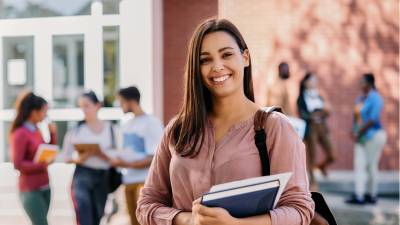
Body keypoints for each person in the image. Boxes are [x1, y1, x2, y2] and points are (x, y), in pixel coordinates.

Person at [136, 18, 314, 225]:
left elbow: (299, 210)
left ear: (245, 57)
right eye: (205, 60)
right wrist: (189, 221)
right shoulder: (177, 130)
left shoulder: (274, 127)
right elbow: (146, 205)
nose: (217, 66)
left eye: (226, 54)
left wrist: (236, 224)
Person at [57, 91, 118, 225]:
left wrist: (102, 155)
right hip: (82, 176)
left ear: (97, 106)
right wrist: (79, 159)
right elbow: (65, 157)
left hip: (103, 178)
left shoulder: (111, 129)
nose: (83, 110)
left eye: (87, 105)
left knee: (97, 217)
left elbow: (118, 157)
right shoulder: (76, 130)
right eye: (81, 106)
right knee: (84, 218)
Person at [108, 86, 164, 225]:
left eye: (121, 102)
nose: (119, 105)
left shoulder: (152, 123)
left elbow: (155, 158)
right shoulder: (126, 124)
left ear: (130, 101)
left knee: (146, 221)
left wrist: (124, 164)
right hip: (128, 180)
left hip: (145, 182)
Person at [9, 92, 57, 225]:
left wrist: (53, 135)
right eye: (44, 112)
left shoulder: (36, 130)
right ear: (33, 112)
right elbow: (18, 164)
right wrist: (43, 165)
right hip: (30, 190)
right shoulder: (20, 133)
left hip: (45, 185)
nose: (45, 116)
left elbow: (46, 152)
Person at [346, 73, 387, 205]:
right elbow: (357, 119)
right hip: (361, 137)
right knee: (359, 164)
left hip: (374, 136)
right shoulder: (360, 99)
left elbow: (372, 120)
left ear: (370, 83)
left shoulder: (376, 98)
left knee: (371, 166)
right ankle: (359, 195)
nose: (360, 84)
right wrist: (354, 132)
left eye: (363, 82)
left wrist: (358, 132)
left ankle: (371, 195)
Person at [297, 72, 335, 189]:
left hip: (322, 127)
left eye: (315, 80)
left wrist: (322, 113)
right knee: (312, 157)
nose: (314, 83)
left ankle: (322, 166)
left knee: (332, 154)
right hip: (311, 128)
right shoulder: (301, 98)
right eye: (312, 80)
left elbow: (327, 111)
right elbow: (303, 114)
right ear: (306, 82)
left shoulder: (318, 95)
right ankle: (313, 183)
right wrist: (314, 115)